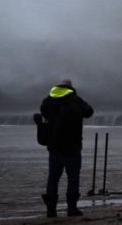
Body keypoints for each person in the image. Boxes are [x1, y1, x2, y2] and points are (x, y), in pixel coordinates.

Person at [40, 79, 94, 217]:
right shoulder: (75, 100)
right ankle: (72, 209)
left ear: (58, 87)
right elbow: (89, 112)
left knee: (53, 178)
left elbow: (43, 112)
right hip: (73, 147)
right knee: (73, 178)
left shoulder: (49, 100)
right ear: (70, 87)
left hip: (54, 147)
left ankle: (51, 210)